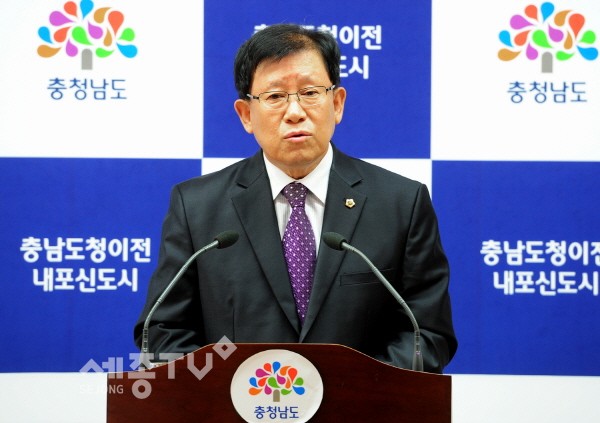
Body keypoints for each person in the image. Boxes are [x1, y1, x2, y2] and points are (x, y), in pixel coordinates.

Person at [134, 23, 457, 373]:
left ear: (337, 103)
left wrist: (354, 392)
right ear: (246, 115)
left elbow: (426, 332)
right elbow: (164, 330)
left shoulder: (401, 204)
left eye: (310, 92)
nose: (295, 112)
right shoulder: (196, 207)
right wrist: (230, 391)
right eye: (275, 96)